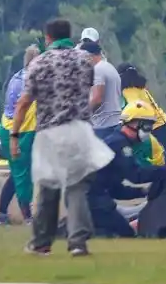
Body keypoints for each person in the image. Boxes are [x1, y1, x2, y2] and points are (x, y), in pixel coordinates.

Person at [12, 18, 115, 257]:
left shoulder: (39, 63)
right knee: (77, 187)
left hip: (50, 132)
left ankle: (41, 242)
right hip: (80, 130)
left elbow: (24, 102)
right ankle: (78, 242)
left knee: (49, 188)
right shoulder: (85, 60)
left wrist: (15, 134)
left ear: (48, 38)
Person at [89, 101, 166, 238]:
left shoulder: (117, 141)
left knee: (120, 232)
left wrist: (144, 191)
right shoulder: (120, 145)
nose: (150, 130)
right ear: (133, 124)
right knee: (124, 235)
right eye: (147, 126)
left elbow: (115, 189)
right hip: (93, 200)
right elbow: (136, 175)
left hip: (95, 198)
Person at [0, 45, 39, 223]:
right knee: (22, 175)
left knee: (17, 174)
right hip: (19, 130)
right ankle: (27, 216)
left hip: (14, 129)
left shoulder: (19, 76)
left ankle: (1, 213)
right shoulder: (27, 81)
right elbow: (21, 108)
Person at [117, 62, 166, 156]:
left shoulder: (128, 91)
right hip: (164, 123)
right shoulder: (140, 87)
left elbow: (136, 111)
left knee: (160, 158)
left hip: (154, 127)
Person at [82, 41, 122, 138]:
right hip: (115, 121)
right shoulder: (109, 67)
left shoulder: (97, 70)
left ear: (88, 56)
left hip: (103, 125)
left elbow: (97, 98)